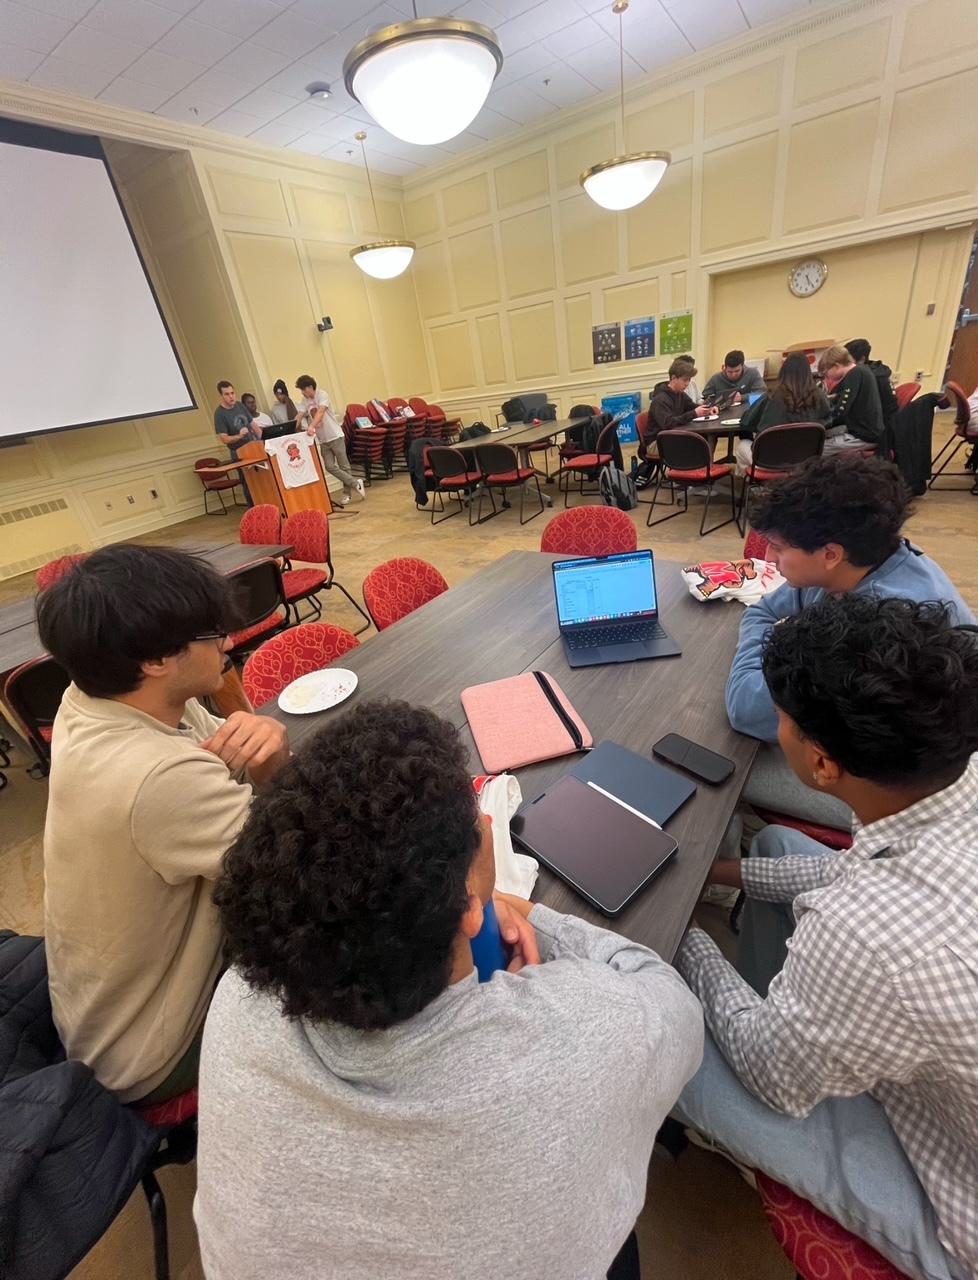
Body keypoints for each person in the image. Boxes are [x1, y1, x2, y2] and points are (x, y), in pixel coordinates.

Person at [195, 701, 703, 1280]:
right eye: (474, 819)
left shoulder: (238, 1000)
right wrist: (527, 911)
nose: (485, 825)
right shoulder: (583, 1036)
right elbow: (666, 994)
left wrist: (475, 905)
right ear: (464, 902)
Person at [678, 595, 978, 1280]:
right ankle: (789, 1011)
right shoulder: (959, 779)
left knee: (660, 1022)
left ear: (820, 765)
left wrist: (683, 929)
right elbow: (856, 867)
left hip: (961, 1215)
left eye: (777, 719)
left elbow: (770, 1072)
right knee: (781, 846)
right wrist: (722, 872)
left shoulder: (869, 932)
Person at [38, 546, 290, 1104]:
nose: (228, 642)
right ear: (153, 660)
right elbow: (301, 866)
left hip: (97, 1009)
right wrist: (273, 760)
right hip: (149, 1047)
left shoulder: (92, 696)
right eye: (212, 633)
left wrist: (240, 713)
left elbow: (221, 753)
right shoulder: (157, 776)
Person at [726, 455, 974, 826]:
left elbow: (745, 707)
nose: (769, 558)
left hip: (908, 803)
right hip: (883, 755)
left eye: (778, 548)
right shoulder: (868, 561)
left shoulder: (875, 631)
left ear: (830, 554)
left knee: (720, 768)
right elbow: (761, 612)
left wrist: (760, 661)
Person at [733, 352, 832, 473]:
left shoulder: (774, 397)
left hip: (769, 462)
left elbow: (753, 425)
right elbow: (828, 422)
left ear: (783, 372)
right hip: (806, 461)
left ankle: (751, 486)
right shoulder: (820, 397)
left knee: (742, 446)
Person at [294, 373, 364, 507]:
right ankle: (356, 483)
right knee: (329, 466)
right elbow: (300, 414)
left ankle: (347, 494)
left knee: (344, 466)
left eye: (303, 389)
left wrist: (311, 426)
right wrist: (291, 427)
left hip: (335, 436)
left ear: (310, 387)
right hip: (323, 440)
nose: (302, 393)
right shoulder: (304, 401)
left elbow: (320, 412)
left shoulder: (322, 395)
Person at [817, 344, 884, 450]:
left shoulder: (855, 374)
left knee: (817, 449)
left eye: (826, 373)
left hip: (865, 435)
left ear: (837, 366)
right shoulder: (861, 371)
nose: (827, 377)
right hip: (860, 428)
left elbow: (841, 411)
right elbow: (841, 398)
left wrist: (821, 423)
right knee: (822, 436)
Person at [213, 379, 262, 506]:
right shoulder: (219, 414)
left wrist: (263, 439)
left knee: (261, 479)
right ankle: (253, 509)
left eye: (232, 393)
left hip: (254, 448)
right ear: (221, 396)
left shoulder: (240, 405)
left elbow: (253, 425)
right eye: (227, 394)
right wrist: (239, 436)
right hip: (239, 452)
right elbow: (224, 439)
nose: (231, 397)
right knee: (248, 483)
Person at [649, 355, 716, 437]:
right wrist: (694, 414)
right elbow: (668, 424)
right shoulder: (660, 399)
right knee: (697, 442)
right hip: (658, 440)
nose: (687, 383)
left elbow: (692, 407)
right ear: (673, 378)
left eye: (689, 380)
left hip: (673, 435)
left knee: (706, 437)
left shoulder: (680, 394)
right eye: (684, 380)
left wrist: (708, 409)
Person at [845, 337, 898, 433]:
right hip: (881, 423)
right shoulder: (877, 371)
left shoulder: (868, 378)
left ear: (861, 359)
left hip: (877, 428)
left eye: (848, 362)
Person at [702, 349, 766, 405]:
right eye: (729, 372)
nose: (733, 374)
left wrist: (742, 397)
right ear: (724, 367)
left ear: (742, 366)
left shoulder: (752, 373)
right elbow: (705, 397)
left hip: (747, 410)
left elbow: (762, 393)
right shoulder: (716, 378)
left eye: (737, 371)